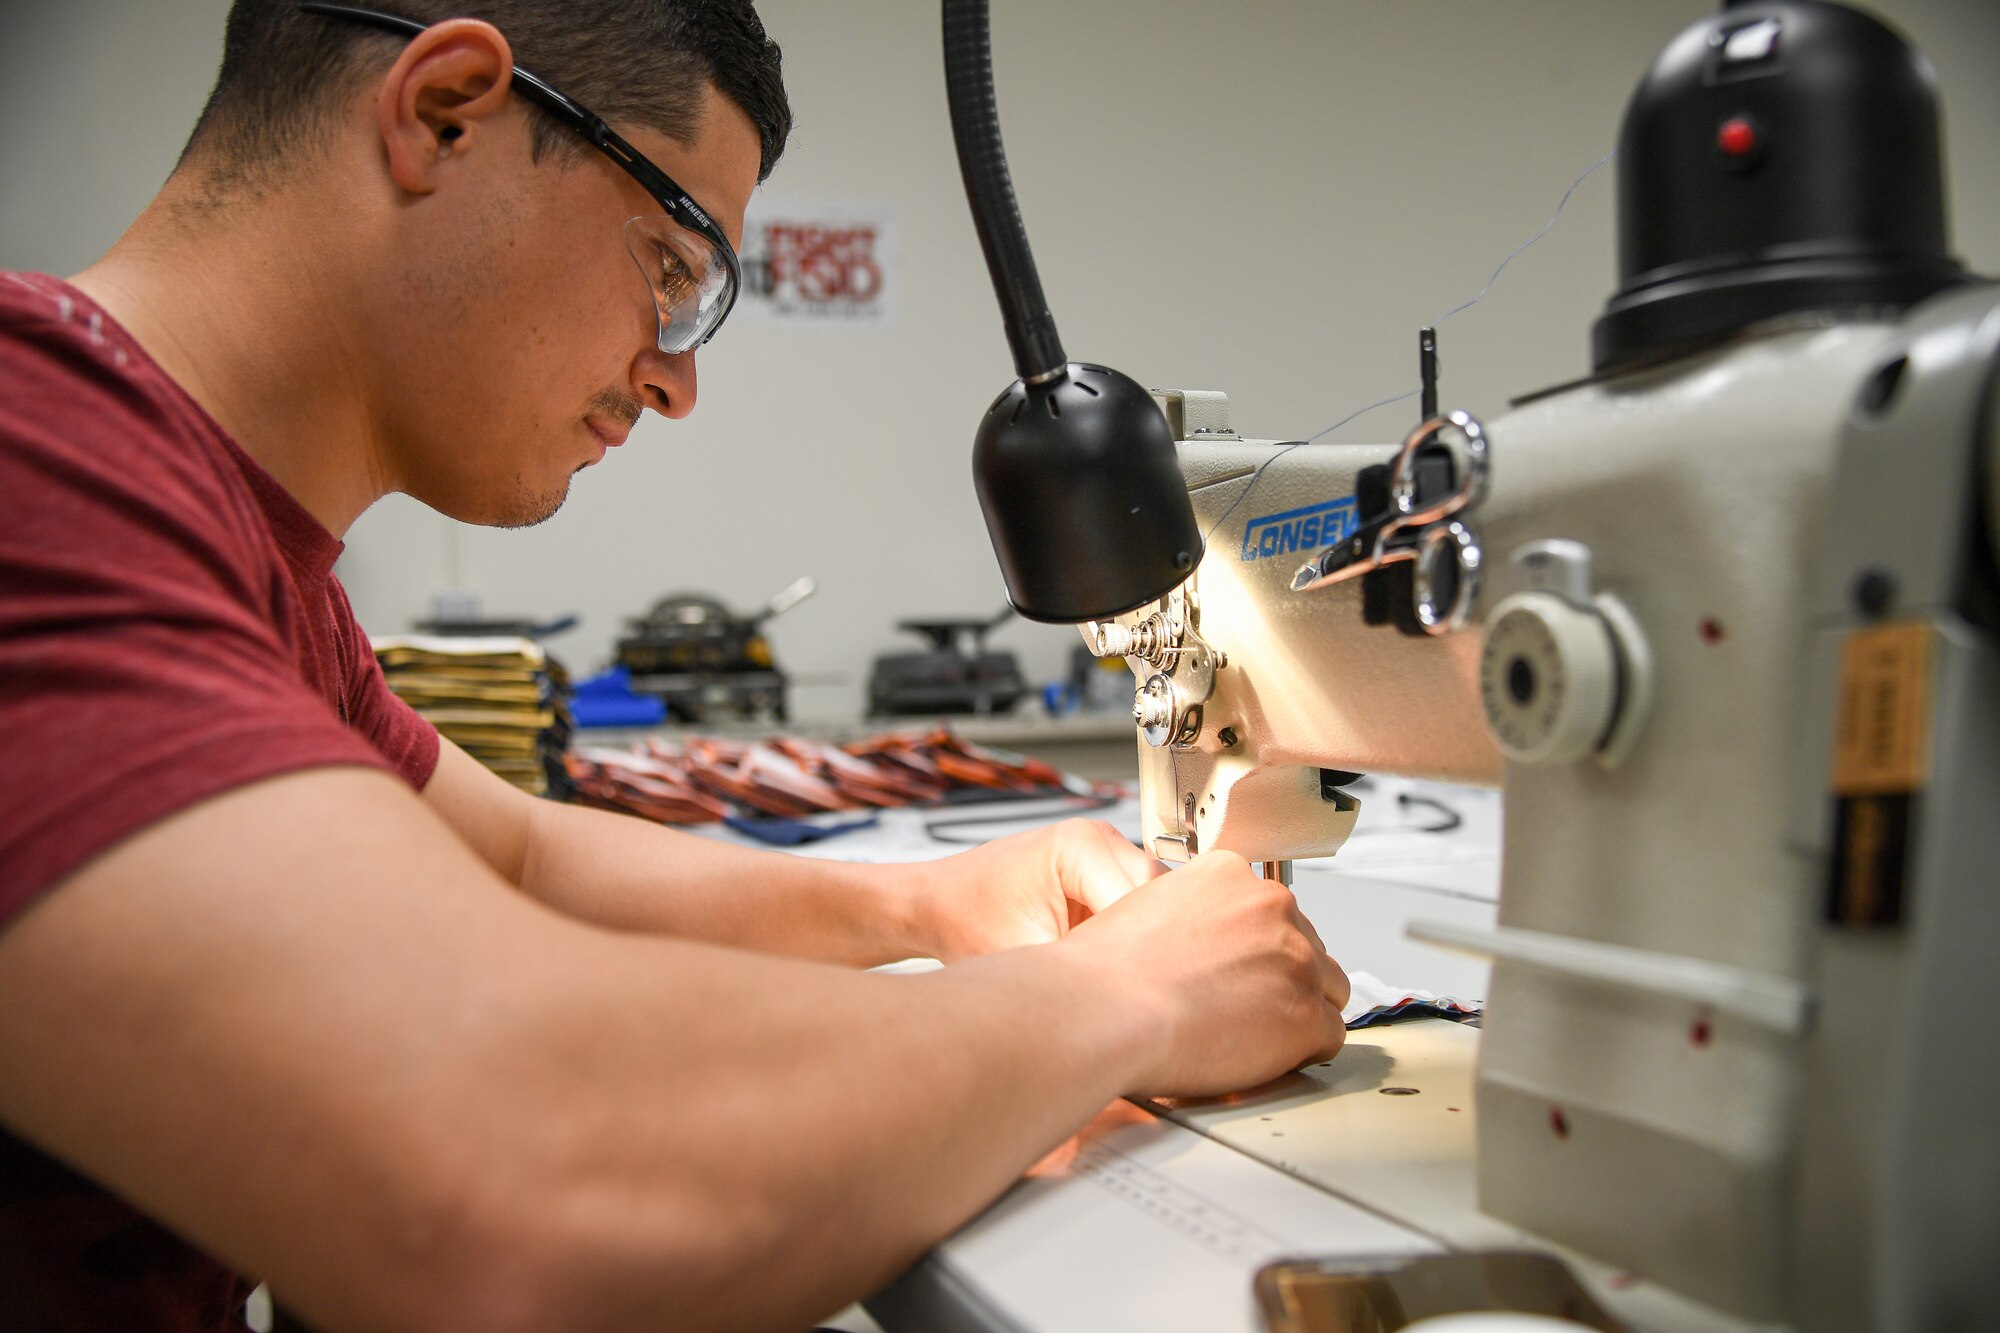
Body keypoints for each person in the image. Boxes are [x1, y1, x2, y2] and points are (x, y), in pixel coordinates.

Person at [0, 2, 1351, 1329]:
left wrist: (932, 900)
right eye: (669, 269)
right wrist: (1126, 997)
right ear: (443, 113)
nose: (675, 384)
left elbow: (523, 860)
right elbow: (516, 1180)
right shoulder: (32, 456)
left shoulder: (232, 539)